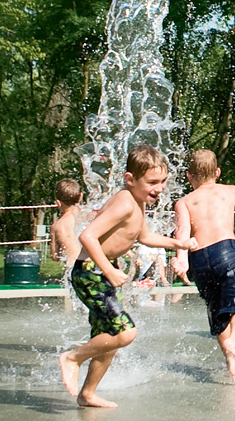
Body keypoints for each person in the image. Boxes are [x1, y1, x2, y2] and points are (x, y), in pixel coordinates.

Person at [58, 145, 198, 408]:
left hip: (102, 273)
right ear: (131, 179)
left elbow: (144, 236)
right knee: (125, 333)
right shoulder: (124, 202)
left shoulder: (137, 202)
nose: (159, 188)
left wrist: (179, 245)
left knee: (109, 340)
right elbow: (87, 236)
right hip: (92, 273)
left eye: (163, 182)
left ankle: (87, 393)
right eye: (152, 182)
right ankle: (72, 358)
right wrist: (109, 269)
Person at [172, 149, 235, 383]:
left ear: (188, 176)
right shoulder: (229, 191)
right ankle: (233, 343)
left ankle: (229, 356)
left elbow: (183, 232)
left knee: (216, 310)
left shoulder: (184, 201)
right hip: (225, 251)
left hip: (198, 257)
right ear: (217, 172)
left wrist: (182, 259)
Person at [49, 179, 83, 266]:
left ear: (58, 203)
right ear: (80, 196)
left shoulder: (57, 226)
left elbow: (55, 256)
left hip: (73, 268)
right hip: (91, 264)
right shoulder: (86, 215)